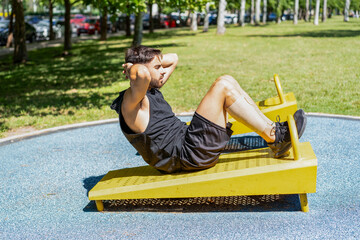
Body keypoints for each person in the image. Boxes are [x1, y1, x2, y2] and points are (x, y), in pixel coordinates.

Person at [111, 45, 306, 174]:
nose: (163, 70)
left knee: (227, 80)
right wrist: (132, 68)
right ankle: (275, 137)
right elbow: (142, 73)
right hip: (186, 155)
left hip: (189, 146)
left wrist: (152, 61)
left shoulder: (151, 88)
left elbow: (174, 58)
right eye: (158, 67)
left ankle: (273, 132)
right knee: (222, 85)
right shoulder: (132, 103)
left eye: (161, 66)